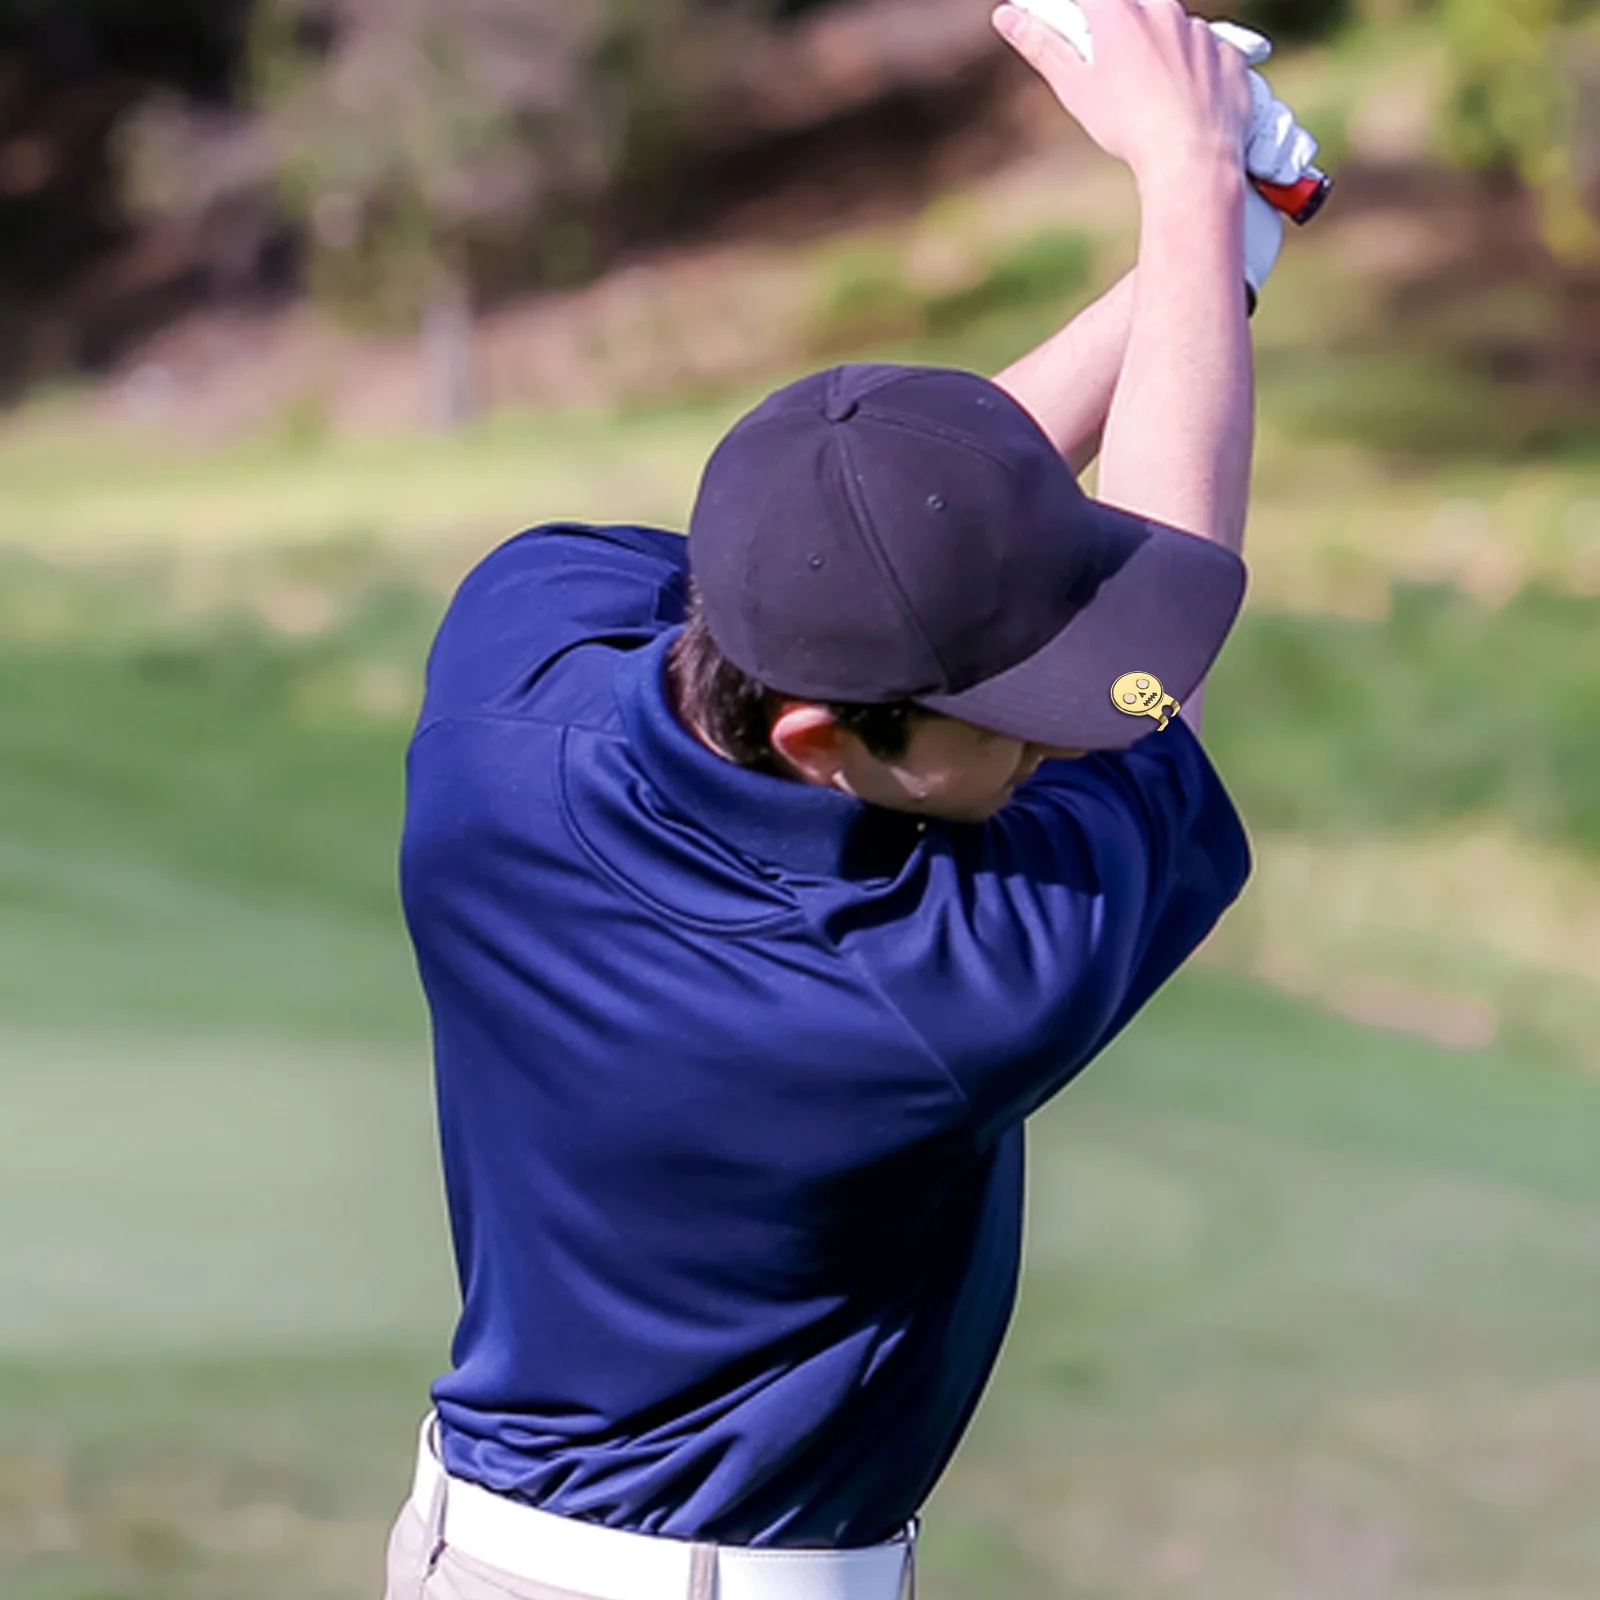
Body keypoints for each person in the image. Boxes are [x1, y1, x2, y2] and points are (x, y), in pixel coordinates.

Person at [385, 0, 1308, 1594]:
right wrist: (1182, 182)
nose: (1050, 744)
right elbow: (1166, 659)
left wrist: (1220, 239)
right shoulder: (928, 991)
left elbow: (873, 546)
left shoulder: (513, 654)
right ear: (819, 739)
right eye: (1007, 723)